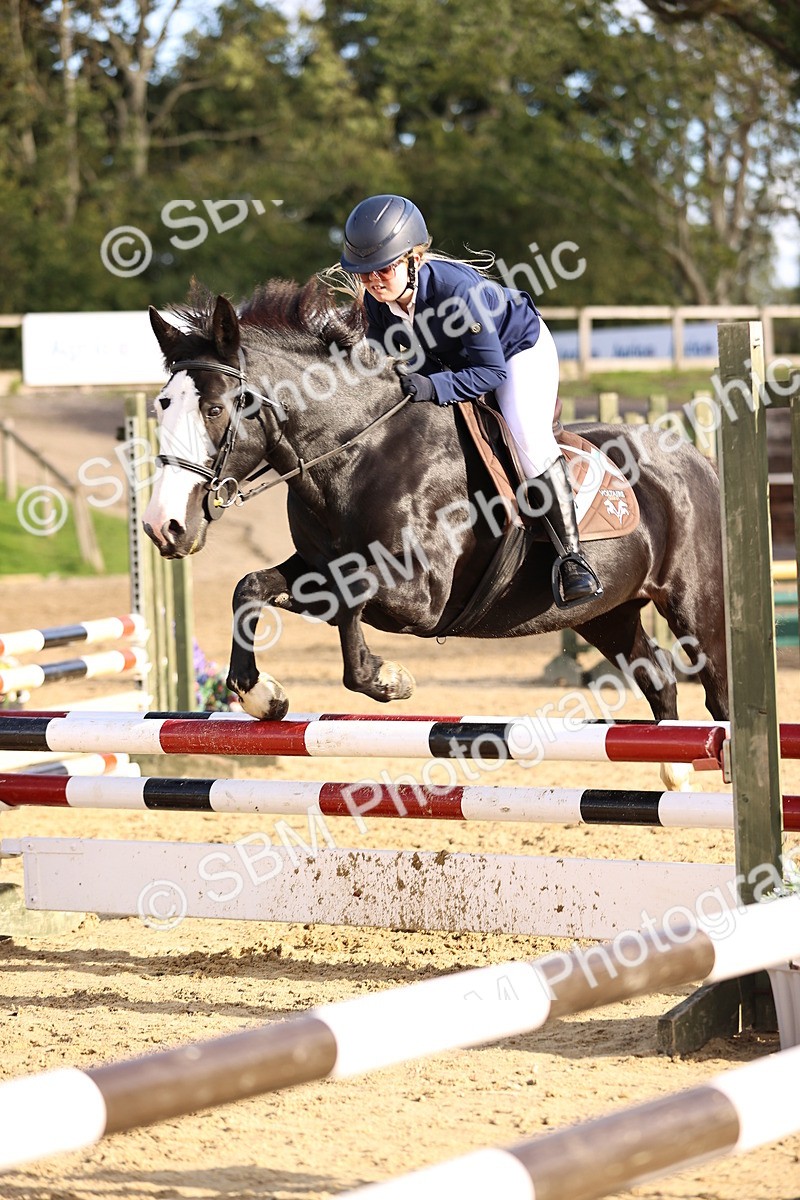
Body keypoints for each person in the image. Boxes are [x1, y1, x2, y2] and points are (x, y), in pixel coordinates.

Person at [337, 193, 602, 607]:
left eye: (383, 268)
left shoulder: (458, 290)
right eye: (364, 272)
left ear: (414, 258)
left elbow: (491, 374)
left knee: (526, 437)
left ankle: (573, 559)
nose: (373, 280)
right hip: (455, 359)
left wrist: (432, 387)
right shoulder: (377, 303)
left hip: (516, 352)